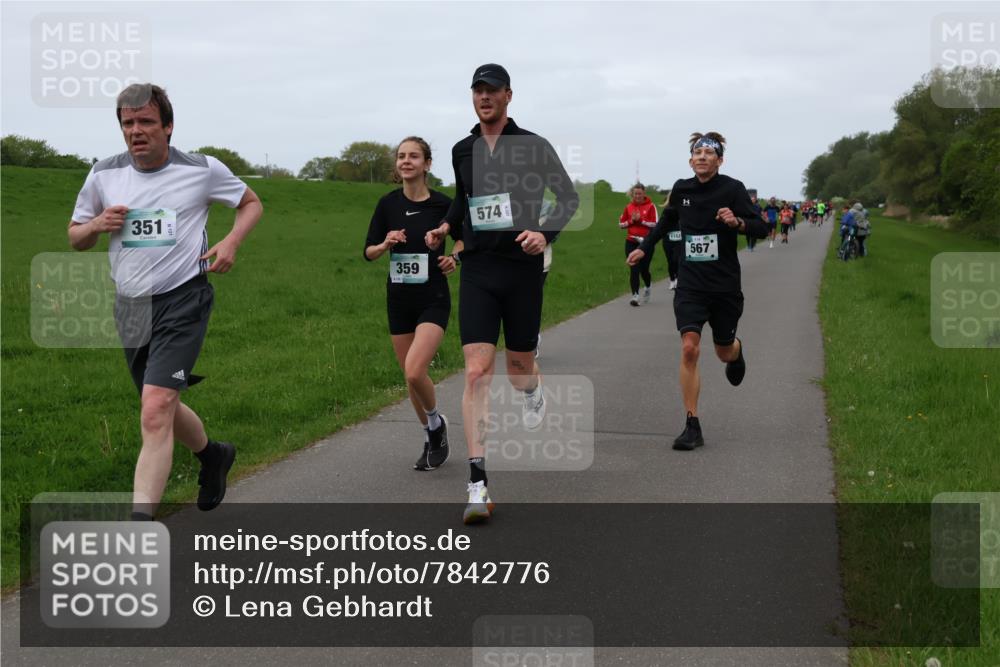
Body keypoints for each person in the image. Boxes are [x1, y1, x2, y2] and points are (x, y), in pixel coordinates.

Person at [68, 83, 263, 520]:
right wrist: (97, 225)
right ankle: (213, 454)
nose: (136, 131)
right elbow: (76, 237)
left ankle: (139, 526)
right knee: (158, 403)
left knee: (156, 408)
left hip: (183, 298)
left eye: (146, 122)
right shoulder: (103, 174)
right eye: (128, 123)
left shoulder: (201, 169)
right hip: (130, 305)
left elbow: (251, 203)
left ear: (168, 126)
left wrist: (232, 241)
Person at [424, 64, 579, 523]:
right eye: (478, 90)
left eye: (492, 90)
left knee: (518, 370)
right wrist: (446, 226)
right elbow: (463, 199)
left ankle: (532, 388)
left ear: (509, 95)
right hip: (478, 269)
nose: (484, 97)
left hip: (521, 270)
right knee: (476, 372)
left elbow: (567, 198)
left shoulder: (533, 145)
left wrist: (544, 234)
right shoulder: (462, 149)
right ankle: (478, 482)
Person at [627, 132, 767, 450]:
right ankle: (692, 424)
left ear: (720, 160)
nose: (703, 156)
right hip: (690, 284)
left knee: (722, 350)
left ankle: (735, 350)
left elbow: (760, 227)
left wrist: (737, 222)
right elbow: (665, 223)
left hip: (724, 285)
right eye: (697, 152)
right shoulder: (682, 189)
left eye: (709, 152)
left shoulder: (732, 189)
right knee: (689, 348)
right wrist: (644, 249)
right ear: (691, 161)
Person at [364, 137, 462, 471]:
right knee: (411, 379)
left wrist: (453, 258)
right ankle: (430, 434)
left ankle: (436, 425)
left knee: (414, 369)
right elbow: (368, 252)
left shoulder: (444, 204)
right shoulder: (387, 204)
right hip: (398, 299)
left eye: (414, 156)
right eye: (401, 156)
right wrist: (384, 244)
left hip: (433, 297)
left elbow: (464, 238)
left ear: (427, 164)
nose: (406, 161)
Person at [619, 183, 658, 304]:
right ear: (633, 194)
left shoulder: (651, 206)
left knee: (644, 269)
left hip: (646, 243)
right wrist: (631, 221)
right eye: (635, 194)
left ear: (644, 193)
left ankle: (648, 286)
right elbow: (621, 224)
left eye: (640, 194)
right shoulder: (629, 207)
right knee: (634, 268)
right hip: (631, 241)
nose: (637, 196)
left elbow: (655, 224)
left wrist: (641, 221)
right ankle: (635, 296)